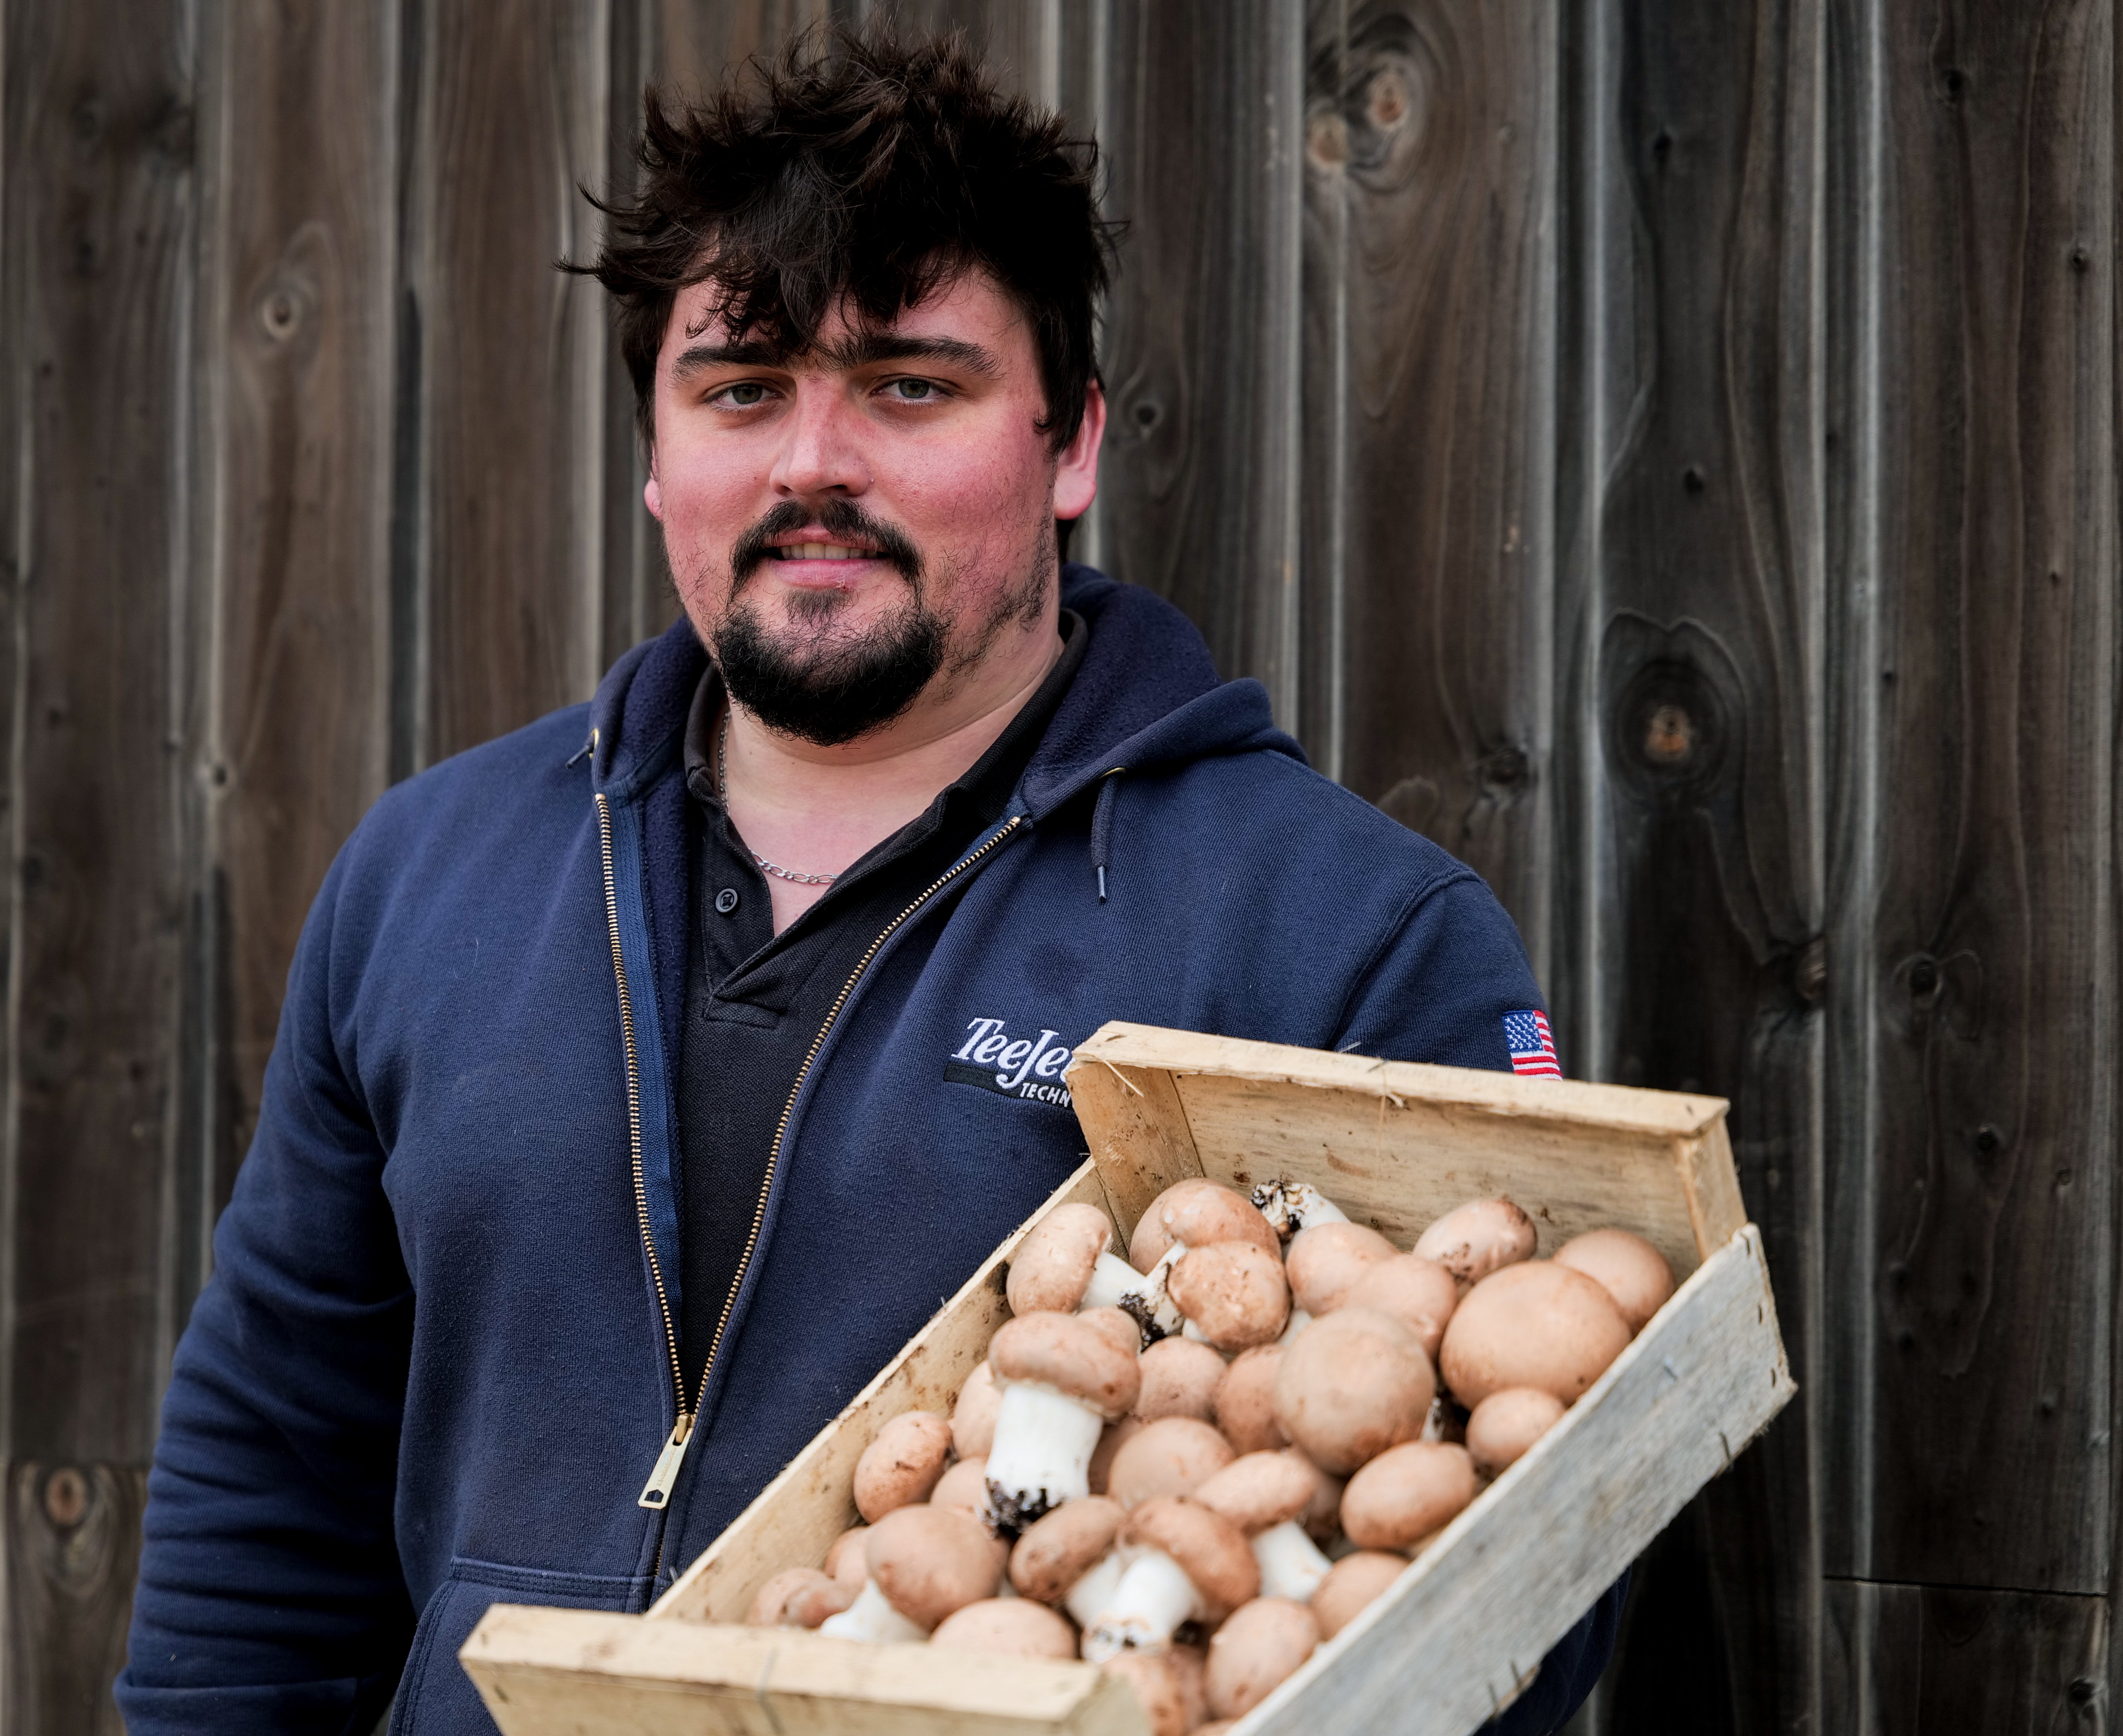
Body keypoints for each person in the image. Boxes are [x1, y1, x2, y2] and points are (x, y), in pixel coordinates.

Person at [119, 26, 1622, 1735]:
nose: (810, 460)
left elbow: (1507, 1605)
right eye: (742, 389)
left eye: (910, 384)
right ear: (655, 453)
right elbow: (266, 1513)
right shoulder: (430, 878)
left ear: (1071, 446)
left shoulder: (1342, 941)